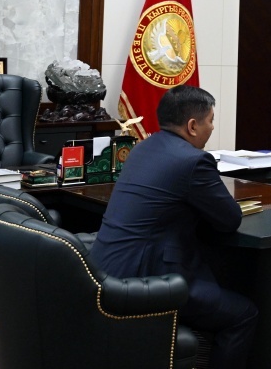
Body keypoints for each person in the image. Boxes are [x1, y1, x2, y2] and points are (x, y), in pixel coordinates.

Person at [89, 86, 257, 369]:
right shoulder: (194, 160)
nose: (212, 128)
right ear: (192, 126)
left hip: (105, 270)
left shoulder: (142, 148)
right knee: (243, 314)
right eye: (210, 120)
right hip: (144, 281)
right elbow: (230, 219)